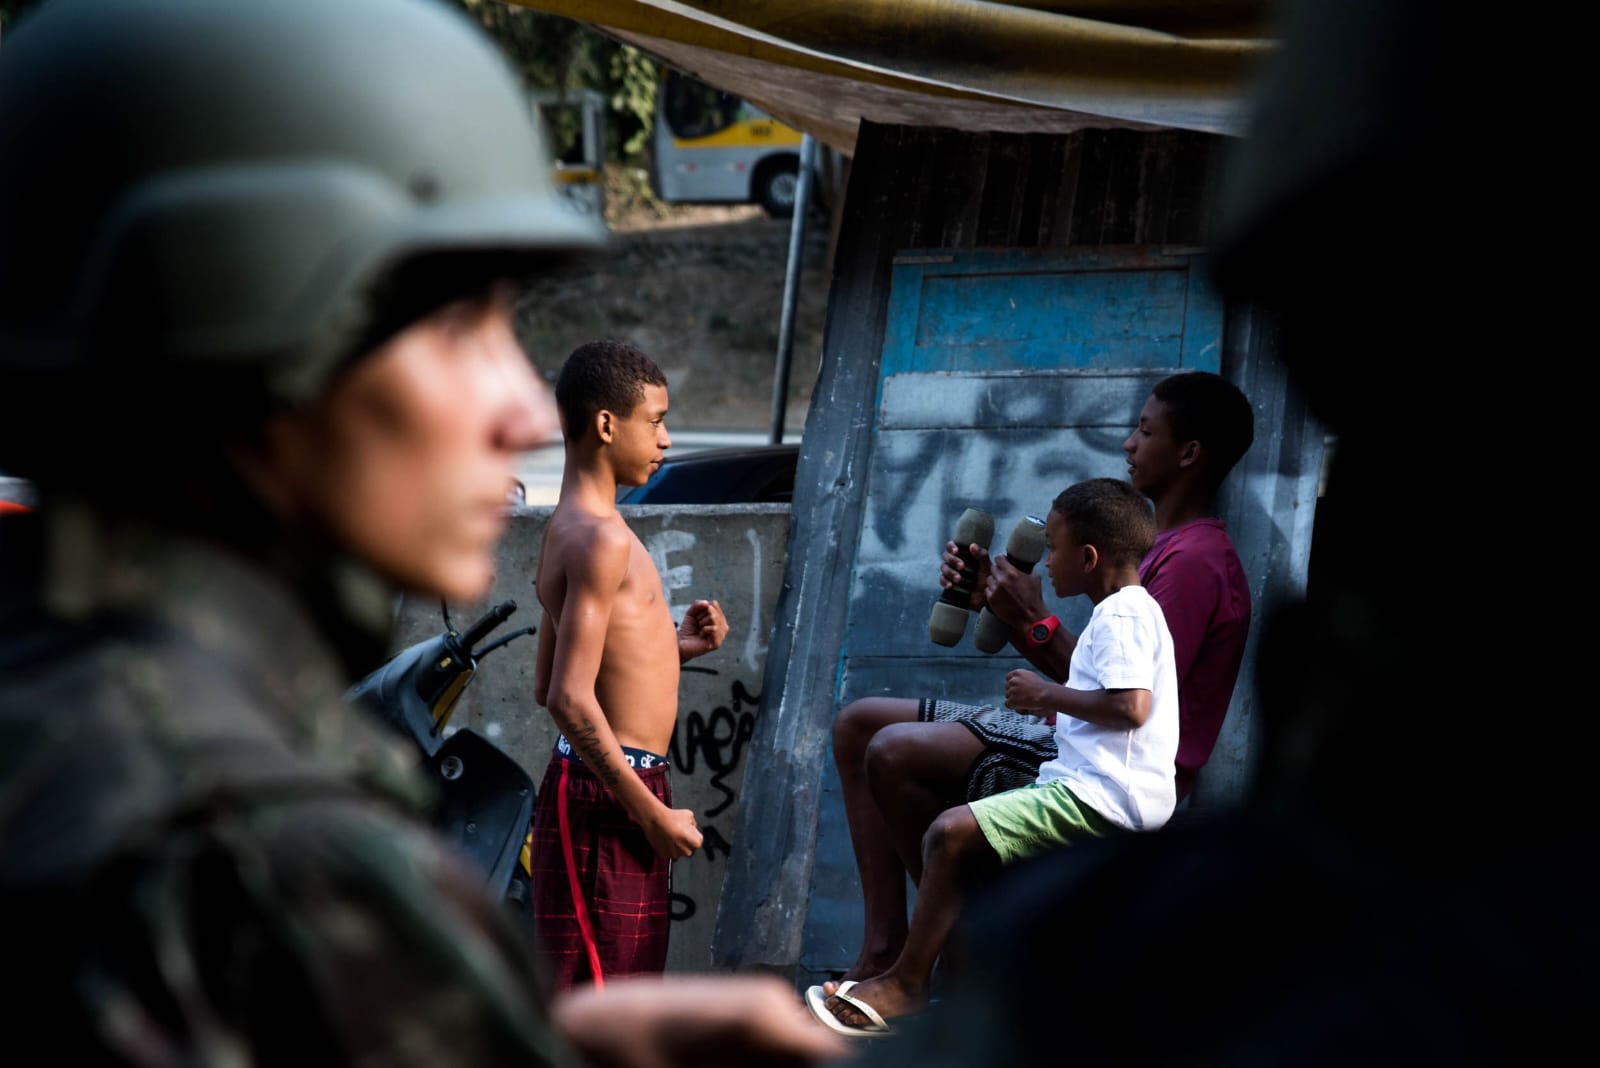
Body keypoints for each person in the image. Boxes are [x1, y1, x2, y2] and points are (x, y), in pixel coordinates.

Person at [0, 2, 845, 1066]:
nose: (524, 411)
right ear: (244, 332)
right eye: (459, 325)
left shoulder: (73, 715)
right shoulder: (275, 864)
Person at [827, 370, 1253, 985]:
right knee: (858, 723)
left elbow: (1131, 704)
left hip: (1104, 769)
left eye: (1145, 429)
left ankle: (963, 955)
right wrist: (993, 598)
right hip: (1064, 729)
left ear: (1189, 453)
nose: (1129, 444)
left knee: (893, 751)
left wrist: (1031, 620)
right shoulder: (1159, 546)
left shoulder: (1194, 564)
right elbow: (1089, 662)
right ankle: (884, 949)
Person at [807, 478, 1178, 1036]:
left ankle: (909, 981)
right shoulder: (1122, 611)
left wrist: (1043, 694)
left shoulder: (1124, 614)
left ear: (1088, 556)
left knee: (948, 833)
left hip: (1102, 800)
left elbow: (1130, 707)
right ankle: (949, 975)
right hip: (1084, 786)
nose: (1045, 563)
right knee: (962, 840)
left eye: (1051, 548)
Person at [529, 338, 732, 991]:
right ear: (607, 425)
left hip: (606, 785)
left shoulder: (573, 527)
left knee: (619, 995)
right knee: (603, 1003)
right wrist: (646, 810)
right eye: (657, 420)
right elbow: (565, 696)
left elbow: (550, 679)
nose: (667, 439)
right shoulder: (600, 539)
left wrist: (667, 649)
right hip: (611, 795)